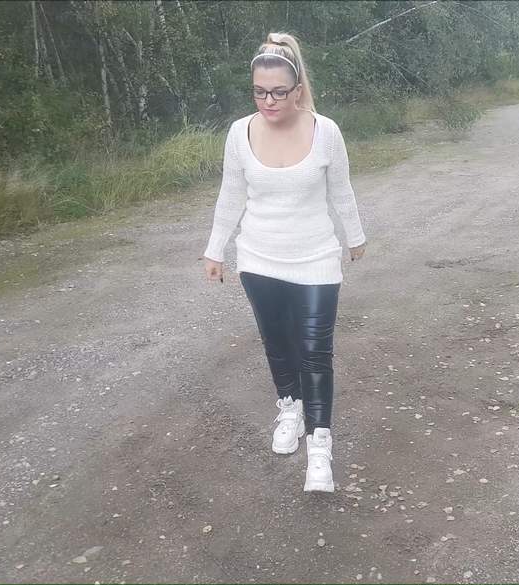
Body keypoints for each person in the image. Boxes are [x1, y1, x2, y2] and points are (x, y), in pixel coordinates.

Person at [202, 32, 367, 493]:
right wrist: (215, 249)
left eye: (278, 92)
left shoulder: (325, 131)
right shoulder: (240, 132)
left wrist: (355, 236)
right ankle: (290, 408)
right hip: (258, 258)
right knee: (277, 344)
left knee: (315, 353)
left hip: (315, 258)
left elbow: (341, 190)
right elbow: (231, 195)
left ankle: (320, 447)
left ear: (297, 90)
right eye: (259, 92)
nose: (268, 102)